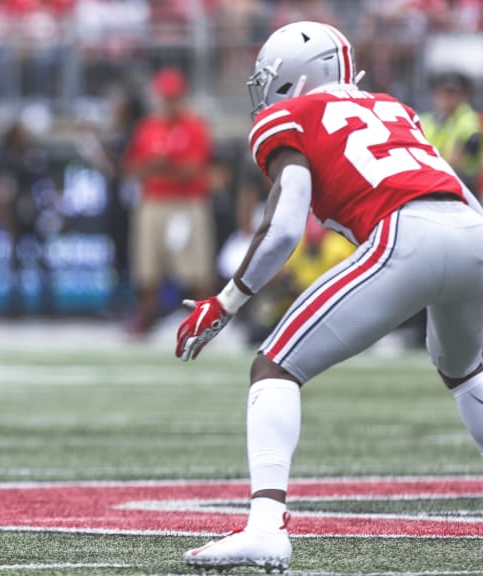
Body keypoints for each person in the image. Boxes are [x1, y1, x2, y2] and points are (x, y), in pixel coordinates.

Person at [175, 21, 483, 572]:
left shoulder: (288, 116)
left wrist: (224, 302)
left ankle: (266, 526)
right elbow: (456, 187)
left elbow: (286, 225)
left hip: (405, 237)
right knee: (465, 372)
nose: (263, 89)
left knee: (274, 367)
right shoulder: (391, 107)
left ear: (297, 76)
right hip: (469, 230)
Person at [122, 67, 214, 337]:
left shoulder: (194, 126)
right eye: (165, 97)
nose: (169, 103)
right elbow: (134, 167)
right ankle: (146, 316)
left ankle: (204, 320)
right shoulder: (149, 126)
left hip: (187, 201)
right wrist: (158, 165)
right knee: (147, 264)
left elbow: (194, 168)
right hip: (155, 200)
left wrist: (163, 164)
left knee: (196, 268)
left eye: (174, 97)